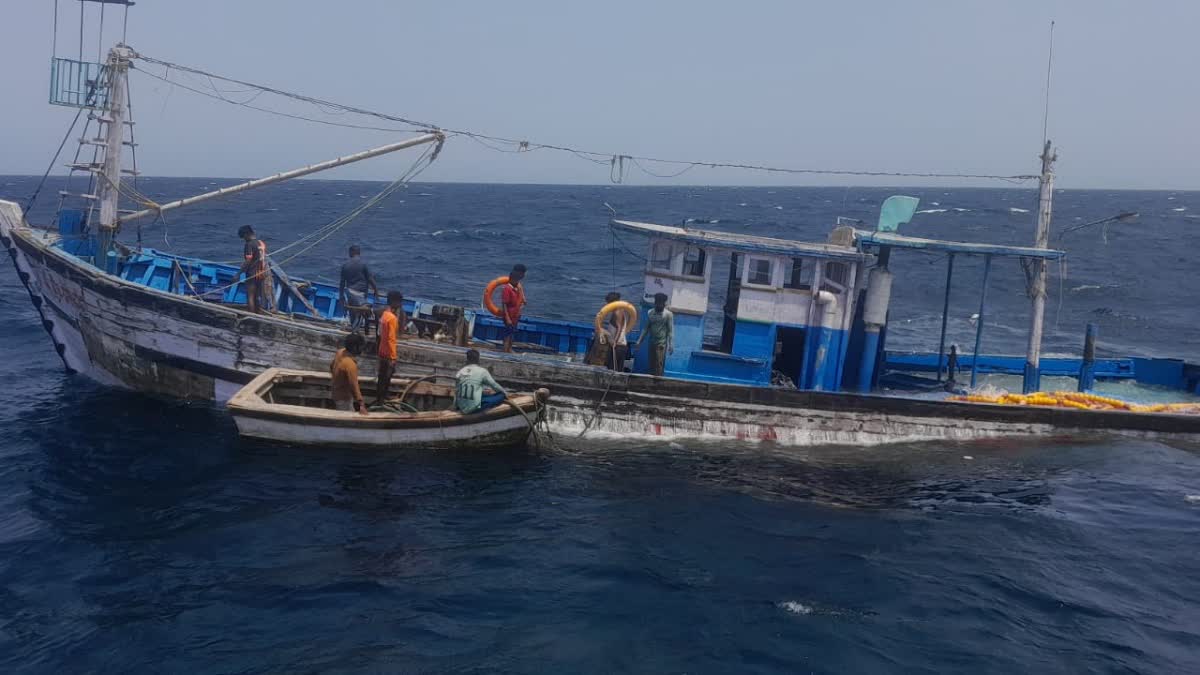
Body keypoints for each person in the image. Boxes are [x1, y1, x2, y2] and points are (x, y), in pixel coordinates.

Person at [374, 290, 405, 407]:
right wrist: (393, 357)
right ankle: (381, 400)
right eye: (400, 302)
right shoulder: (392, 318)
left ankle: (380, 398)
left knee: (381, 377)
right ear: (395, 302)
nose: (401, 305)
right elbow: (391, 339)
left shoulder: (384, 315)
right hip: (388, 354)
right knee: (386, 378)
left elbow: (380, 334)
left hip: (381, 351)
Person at [454, 349, 508, 414]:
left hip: (462, 407)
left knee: (485, 394)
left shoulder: (460, 372)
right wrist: (505, 394)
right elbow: (494, 385)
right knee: (501, 395)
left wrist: (456, 406)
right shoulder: (482, 371)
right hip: (473, 408)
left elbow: (457, 391)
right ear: (478, 360)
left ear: (467, 359)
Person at [635, 292, 675, 377]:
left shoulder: (668, 314)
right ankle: (651, 381)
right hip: (651, 342)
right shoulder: (650, 312)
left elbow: (670, 330)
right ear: (655, 303)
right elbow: (646, 328)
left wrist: (671, 344)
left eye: (661, 304)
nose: (659, 305)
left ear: (664, 304)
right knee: (651, 363)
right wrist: (639, 341)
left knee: (659, 364)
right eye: (658, 303)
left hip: (661, 343)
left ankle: (659, 381)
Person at [339, 244, 377, 331]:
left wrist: (341, 295)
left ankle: (353, 328)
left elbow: (342, 282)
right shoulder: (363, 264)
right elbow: (370, 279)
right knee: (360, 312)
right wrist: (376, 290)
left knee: (352, 311)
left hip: (349, 291)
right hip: (360, 293)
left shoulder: (345, 265)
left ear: (351, 252)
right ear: (358, 252)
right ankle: (355, 330)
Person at [330, 333, 368, 415]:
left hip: (335, 392)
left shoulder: (340, 352)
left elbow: (331, 366)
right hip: (344, 398)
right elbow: (354, 386)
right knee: (346, 417)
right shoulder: (350, 365)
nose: (362, 349)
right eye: (360, 347)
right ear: (354, 347)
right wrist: (361, 404)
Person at [237, 225, 271, 313]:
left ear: (247, 234)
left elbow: (248, 260)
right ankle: (258, 313)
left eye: (243, 237)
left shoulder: (249, 244)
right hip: (261, 273)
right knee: (257, 296)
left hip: (252, 273)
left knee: (250, 296)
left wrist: (238, 274)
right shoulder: (261, 243)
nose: (244, 239)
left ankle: (252, 316)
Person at [501, 264, 527, 353]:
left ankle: (509, 349)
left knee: (512, 334)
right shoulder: (507, 289)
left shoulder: (517, 288)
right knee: (507, 334)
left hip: (515, 316)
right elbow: (504, 304)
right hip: (509, 316)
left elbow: (522, 301)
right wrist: (507, 318)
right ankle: (505, 350)